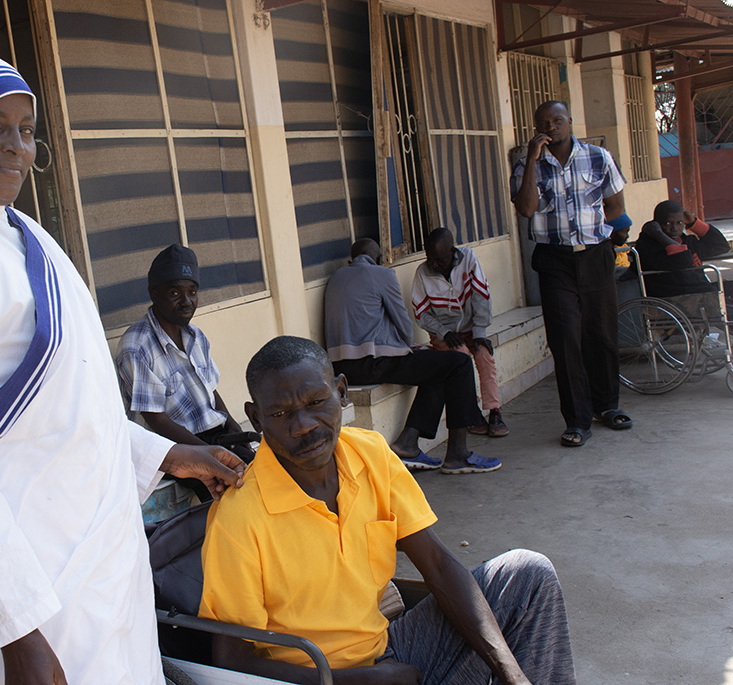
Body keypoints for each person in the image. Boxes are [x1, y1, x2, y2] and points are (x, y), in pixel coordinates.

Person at [0, 51, 243, 684]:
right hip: (23, 586)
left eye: (26, 128)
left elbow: (72, 408)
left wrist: (165, 456)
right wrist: (16, 629)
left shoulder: (32, 239)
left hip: (95, 559)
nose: (16, 146)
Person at [199, 336, 576, 684]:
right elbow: (232, 663)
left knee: (528, 573)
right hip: (319, 678)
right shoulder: (239, 517)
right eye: (280, 414)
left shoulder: (371, 452)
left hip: (389, 651)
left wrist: (512, 673)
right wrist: (362, 681)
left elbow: (439, 566)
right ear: (255, 417)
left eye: (315, 403)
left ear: (342, 392)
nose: (302, 426)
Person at [511, 100, 633, 447]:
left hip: (595, 255)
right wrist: (533, 160)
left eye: (557, 120)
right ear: (535, 127)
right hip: (554, 260)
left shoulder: (597, 157)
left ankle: (608, 406)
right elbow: (525, 209)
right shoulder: (525, 165)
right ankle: (577, 420)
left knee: (602, 334)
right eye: (543, 122)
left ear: (570, 122)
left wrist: (601, 236)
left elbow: (615, 205)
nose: (551, 127)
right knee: (565, 339)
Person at [324, 238, 500, 475]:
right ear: (378, 260)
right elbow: (405, 329)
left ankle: (408, 443)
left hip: (342, 367)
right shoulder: (381, 275)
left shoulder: (335, 279)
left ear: (351, 260)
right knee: (459, 363)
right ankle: (458, 453)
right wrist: (408, 347)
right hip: (374, 362)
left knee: (437, 369)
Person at [116, 244, 254, 501]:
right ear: (154, 294)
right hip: (173, 448)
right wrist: (208, 454)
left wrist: (234, 428)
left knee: (262, 473)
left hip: (213, 435)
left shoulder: (195, 335)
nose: (187, 301)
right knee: (233, 497)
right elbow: (156, 421)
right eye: (175, 292)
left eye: (192, 292)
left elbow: (209, 388)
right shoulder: (136, 346)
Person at [411, 227, 508, 438]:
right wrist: (444, 332)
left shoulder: (469, 258)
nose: (434, 265)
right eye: (430, 259)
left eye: (440, 260)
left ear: (453, 252)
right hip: (444, 334)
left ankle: (494, 411)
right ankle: (471, 413)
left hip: (472, 328)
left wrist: (480, 332)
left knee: (484, 355)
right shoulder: (422, 273)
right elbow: (422, 314)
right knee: (461, 357)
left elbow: (481, 296)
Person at [630, 200, 730, 299]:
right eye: (668, 223)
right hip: (680, 298)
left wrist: (694, 223)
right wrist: (659, 235)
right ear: (656, 224)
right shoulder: (649, 247)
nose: (675, 228)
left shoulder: (688, 241)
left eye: (680, 222)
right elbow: (683, 260)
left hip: (703, 292)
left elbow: (721, 246)